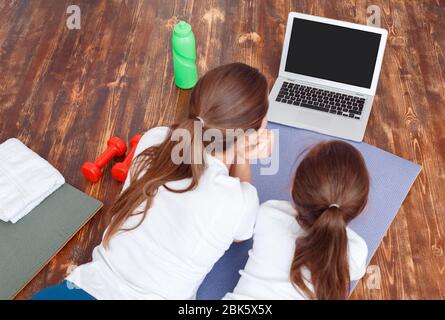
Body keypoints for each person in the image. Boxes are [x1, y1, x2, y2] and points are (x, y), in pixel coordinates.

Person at [33, 62, 272, 300]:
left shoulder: (154, 138)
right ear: (250, 134)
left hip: (80, 290)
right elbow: (241, 233)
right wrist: (242, 157)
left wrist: (237, 146)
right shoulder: (239, 202)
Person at [225, 140, 369, 300]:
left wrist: (242, 158)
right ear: (362, 207)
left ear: (293, 188)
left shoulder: (270, 214)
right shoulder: (355, 251)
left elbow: (240, 210)